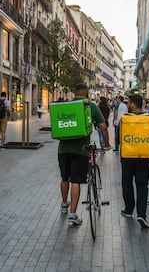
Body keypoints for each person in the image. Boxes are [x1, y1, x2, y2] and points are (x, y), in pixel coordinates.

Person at [58, 83, 111, 227]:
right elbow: (103, 126)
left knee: (64, 178)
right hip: (81, 150)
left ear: (74, 93)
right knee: (76, 180)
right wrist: (106, 143)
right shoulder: (90, 106)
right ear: (87, 94)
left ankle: (64, 204)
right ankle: (73, 215)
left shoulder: (66, 105)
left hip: (63, 149)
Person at [120, 94, 149, 229]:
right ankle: (141, 215)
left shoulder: (125, 119)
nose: (127, 106)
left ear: (132, 105)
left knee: (127, 183)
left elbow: (118, 137)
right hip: (144, 156)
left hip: (128, 156)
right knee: (142, 185)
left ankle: (128, 210)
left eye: (128, 103)